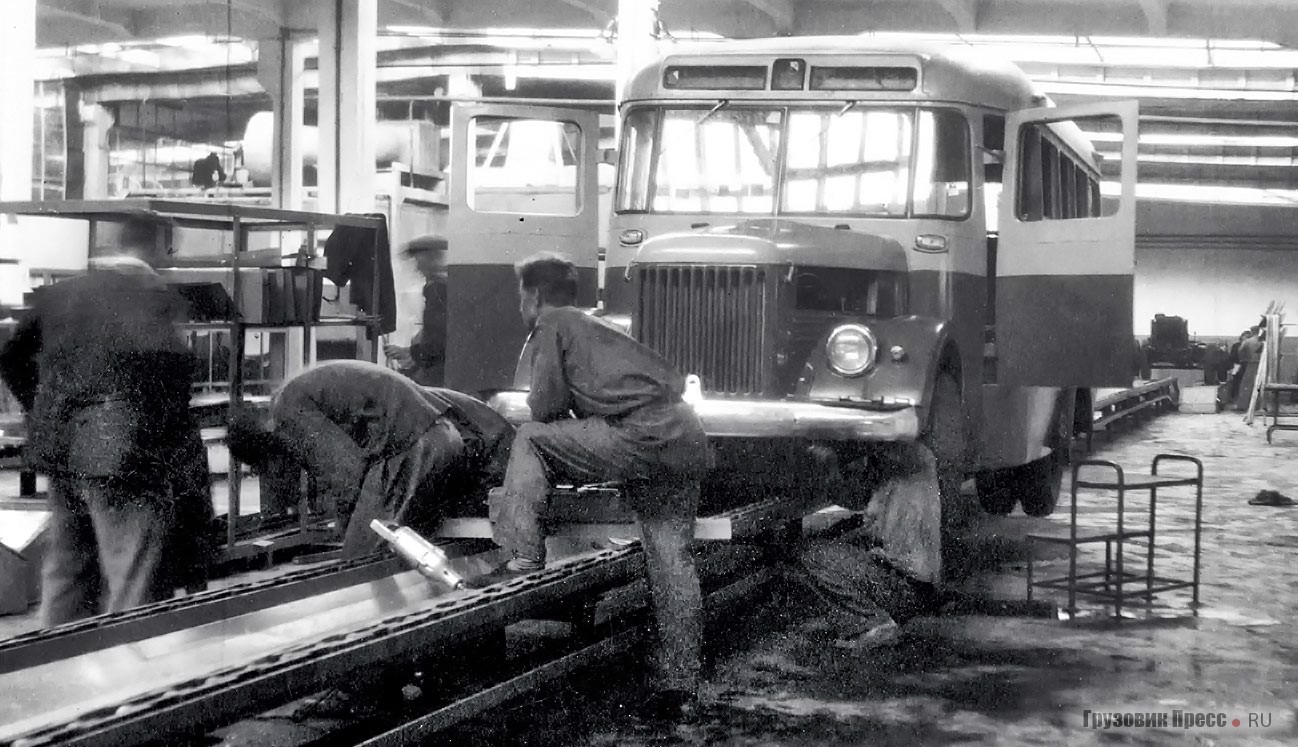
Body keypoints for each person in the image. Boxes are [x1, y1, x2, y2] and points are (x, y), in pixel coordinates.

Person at [469, 252, 711, 719]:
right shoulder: (599, 326)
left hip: (639, 436)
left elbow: (545, 410)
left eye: (521, 296)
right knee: (670, 561)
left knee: (531, 439)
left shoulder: (551, 324)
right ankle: (680, 687)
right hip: (682, 436)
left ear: (534, 296)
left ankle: (521, 556)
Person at [0, 212, 213, 625]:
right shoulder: (153, 297)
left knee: (67, 570)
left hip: (60, 450)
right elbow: (168, 381)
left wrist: (44, 409)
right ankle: (131, 679)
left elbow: (10, 357)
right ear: (159, 246)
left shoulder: (60, 292)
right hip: (124, 457)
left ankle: (53, 669)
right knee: (133, 573)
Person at [225, 359, 512, 559]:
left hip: (414, 446)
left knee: (361, 561)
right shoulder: (298, 388)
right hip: (436, 438)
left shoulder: (287, 412)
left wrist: (350, 528)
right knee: (403, 546)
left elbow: (348, 475)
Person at [384, 235, 447, 386]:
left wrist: (410, 353)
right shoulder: (444, 284)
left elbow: (436, 340)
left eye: (419, 261)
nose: (417, 267)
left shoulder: (438, 288)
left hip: (439, 373)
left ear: (432, 257)